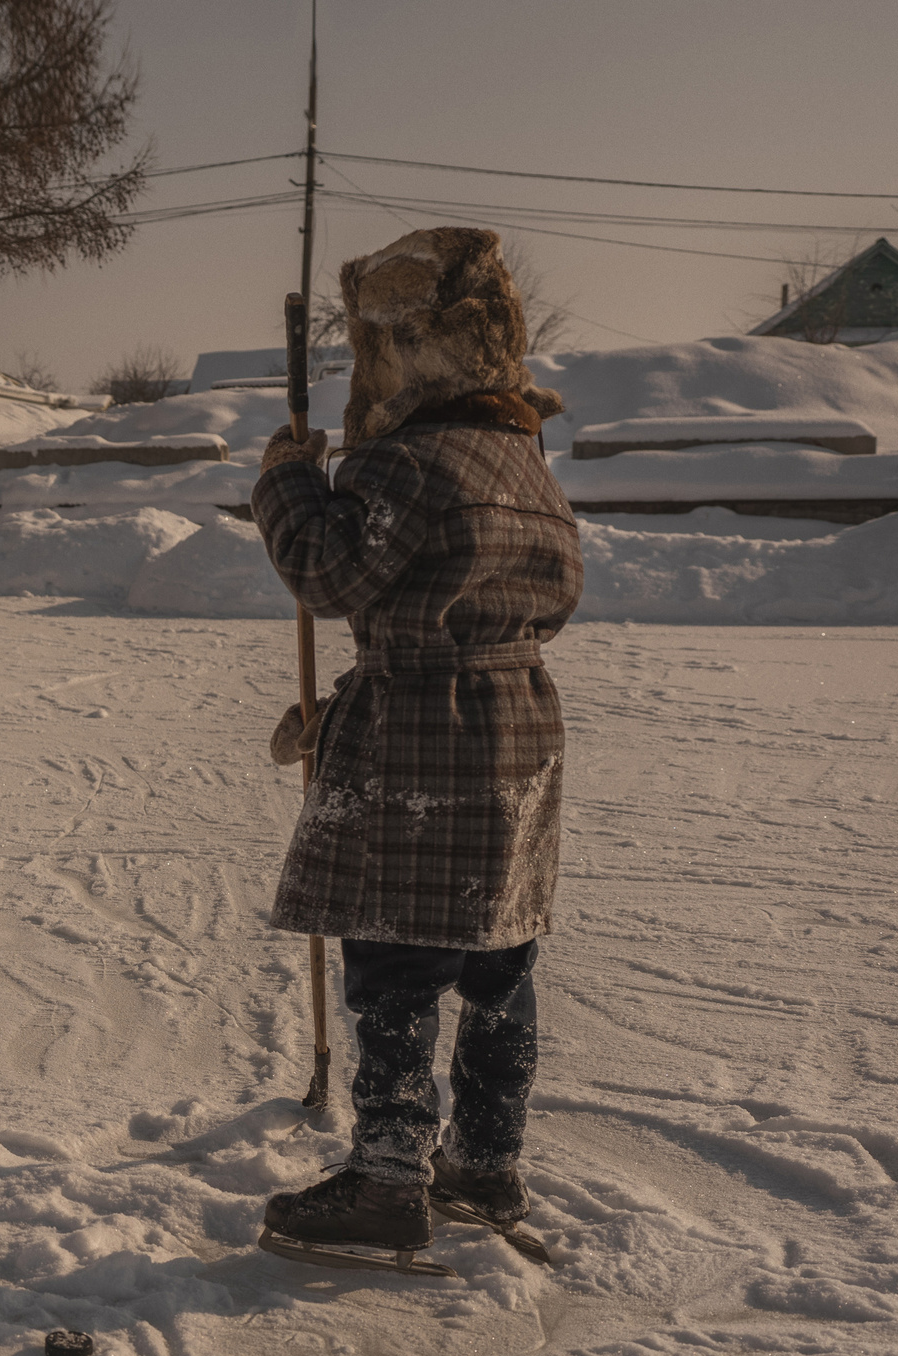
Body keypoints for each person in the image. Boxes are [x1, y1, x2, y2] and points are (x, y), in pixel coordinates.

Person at [250, 228, 584, 1261]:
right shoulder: (523, 458)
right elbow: (542, 589)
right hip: (517, 727)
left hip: (421, 738)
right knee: (495, 961)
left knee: (392, 960)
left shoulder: (411, 459)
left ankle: (389, 1177)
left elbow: (333, 574)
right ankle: (485, 1165)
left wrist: (287, 482)